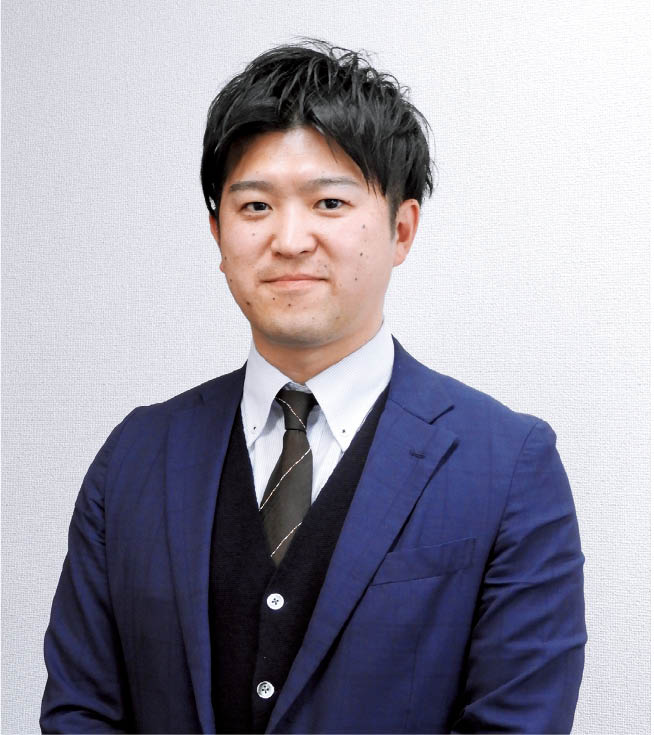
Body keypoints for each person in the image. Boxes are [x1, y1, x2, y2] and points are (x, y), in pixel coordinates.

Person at [40, 40, 586, 734]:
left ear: (402, 229)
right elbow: (80, 711)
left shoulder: (508, 464)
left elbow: (518, 722)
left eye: (329, 202)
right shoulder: (136, 456)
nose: (290, 239)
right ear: (218, 233)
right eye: (255, 206)